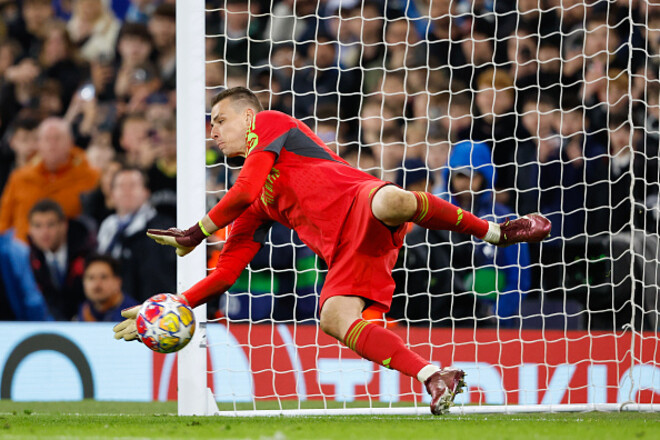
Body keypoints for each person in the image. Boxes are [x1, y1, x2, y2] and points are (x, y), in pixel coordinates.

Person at [113, 87, 551, 415]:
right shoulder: (253, 206)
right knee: (334, 318)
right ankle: (434, 376)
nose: (213, 131)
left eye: (219, 120)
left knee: (392, 199)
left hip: (361, 201)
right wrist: (175, 304)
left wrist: (196, 231)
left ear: (248, 117)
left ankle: (497, 231)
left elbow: (245, 186)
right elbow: (227, 273)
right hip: (346, 251)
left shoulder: (270, 122)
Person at [0, 117, 100, 242]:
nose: (52, 144)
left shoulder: (91, 177)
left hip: (72, 252)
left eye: (57, 138)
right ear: (39, 144)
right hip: (21, 254)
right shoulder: (19, 177)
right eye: (47, 139)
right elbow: (3, 221)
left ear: (70, 142)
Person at [97, 166, 176, 301]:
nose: (126, 192)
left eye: (132, 185)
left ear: (146, 192)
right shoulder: (107, 227)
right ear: (112, 194)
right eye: (121, 186)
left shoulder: (162, 229)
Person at [27, 198, 96, 321]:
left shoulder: (88, 252)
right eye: (38, 226)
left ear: (64, 225)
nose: (44, 232)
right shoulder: (29, 257)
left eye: (50, 225)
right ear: (30, 230)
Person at [76, 254, 139, 322]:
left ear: (118, 282)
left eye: (103, 277)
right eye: (91, 278)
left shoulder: (134, 315)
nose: (97, 284)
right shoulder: (84, 310)